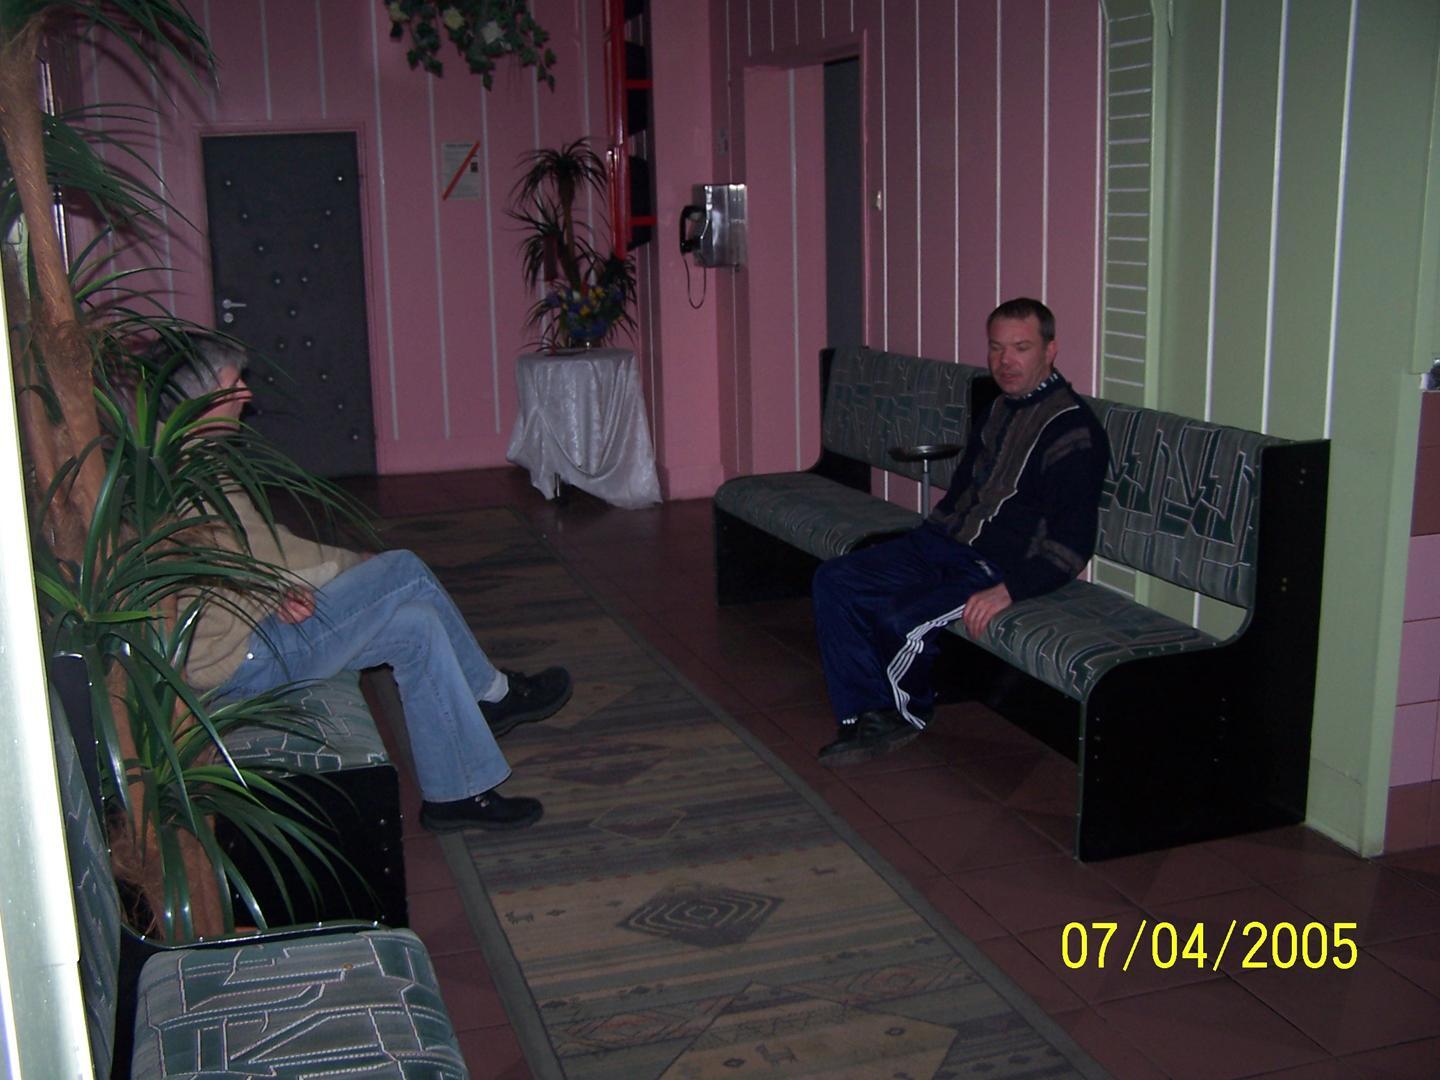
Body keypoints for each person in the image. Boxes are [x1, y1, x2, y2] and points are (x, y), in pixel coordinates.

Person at [171, 335, 571, 832]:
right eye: (235, 385)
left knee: (419, 626)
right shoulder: (191, 473)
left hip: (249, 635)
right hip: (241, 662)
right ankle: (493, 693)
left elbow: (237, 559)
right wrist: (352, 563)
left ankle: (456, 793)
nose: (247, 395)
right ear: (205, 396)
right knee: (401, 569)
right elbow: (267, 554)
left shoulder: (188, 458)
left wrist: (273, 592)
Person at [812, 298, 1109, 765]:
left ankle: (905, 715)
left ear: (1050, 351)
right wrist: (926, 539)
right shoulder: (998, 409)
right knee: (835, 580)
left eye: (1021, 348)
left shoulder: (1072, 432)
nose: (1005, 361)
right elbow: (963, 493)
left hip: (992, 567)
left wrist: (1009, 590)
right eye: (996, 348)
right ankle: (863, 712)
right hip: (940, 543)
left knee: (899, 620)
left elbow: (1073, 544)